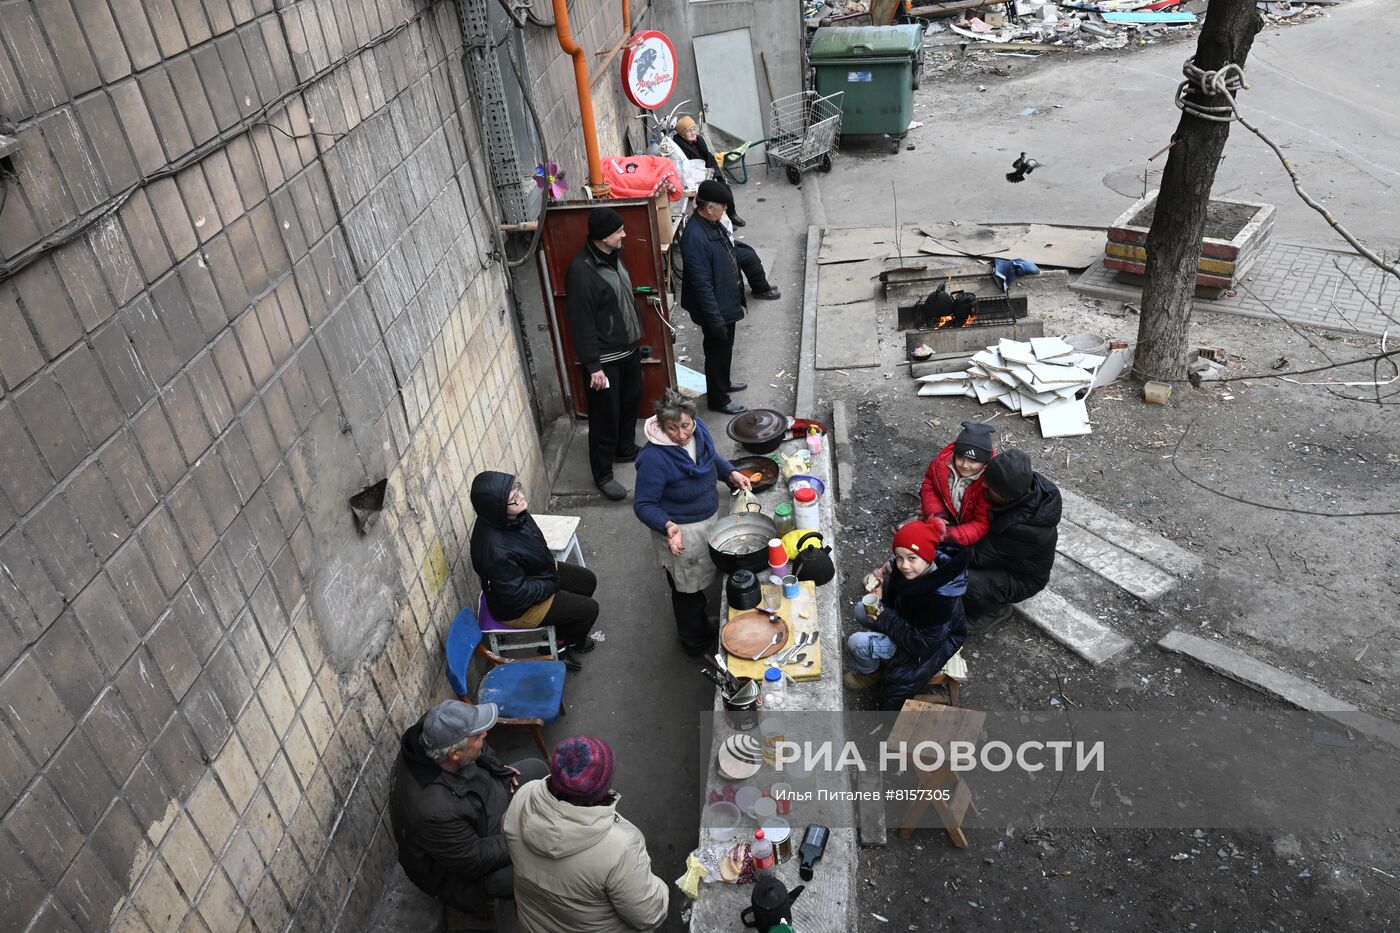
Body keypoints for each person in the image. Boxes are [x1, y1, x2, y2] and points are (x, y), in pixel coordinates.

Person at [389, 701, 550, 918]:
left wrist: (499, 769)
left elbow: (479, 747)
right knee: (538, 868)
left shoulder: (434, 728)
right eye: (478, 736)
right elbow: (474, 859)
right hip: (471, 862)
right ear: (455, 755)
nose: (485, 734)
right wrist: (523, 835)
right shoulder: (434, 811)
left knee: (537, 770)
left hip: (479, 805)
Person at [504, 737, 669, 932]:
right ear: (601, 790)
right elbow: (650, 915)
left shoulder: (523, 796)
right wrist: (659, 885)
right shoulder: (620, 848)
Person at [633, 389, 752, 655]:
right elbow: (643, 504)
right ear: (662, 426)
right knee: (685, 589)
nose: (680, 434)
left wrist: (731, 473)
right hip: (680, 531)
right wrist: (667, 526)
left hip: (707, 520)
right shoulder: (653, 458)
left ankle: (701, 622)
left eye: (685, 425)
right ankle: (694, 641)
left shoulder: (700, 432)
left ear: (693, 420)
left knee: (703, 576)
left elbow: (710, 458)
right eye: (671, 428)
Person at [469, 471, 598, 670]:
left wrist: (549, 574)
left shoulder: (510, 515)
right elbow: (516, 596)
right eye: (513, 498)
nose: (521, 496)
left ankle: (562, 631)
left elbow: (534, 541)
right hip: (519, 607)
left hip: (535, 572)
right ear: (496, 507)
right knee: (589, 610)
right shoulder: (495, 553)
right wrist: (551, 584)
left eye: (517, 488)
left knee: (587, 581)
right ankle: (562, 648)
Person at [845, 518, 969, 712]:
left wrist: (884, 616)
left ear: (928, 557)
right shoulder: (909, 572)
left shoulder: (939, 600)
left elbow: (921, 645)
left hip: (920, 646)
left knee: (856, 643)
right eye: (900, 557)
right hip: (906, 625)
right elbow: (901, 597)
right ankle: (876, 660)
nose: (904, 565)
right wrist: (882, 591)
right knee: (861, 608)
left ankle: (872, 672)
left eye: (912, 558)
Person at [565, 206, 643, 500]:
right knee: (604, 416)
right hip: (605, 360)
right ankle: (603, 475)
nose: (624, 234)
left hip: (628, 350)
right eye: (618, 231)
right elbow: (580, 323)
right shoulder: (582, 272)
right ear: (602, 237)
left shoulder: (613, 257)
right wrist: (592, 365)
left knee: (630, 402)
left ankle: (625, 449)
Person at [964, 448, 1062, 632]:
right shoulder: (1025, 484)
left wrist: (936, 545)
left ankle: (992, 612)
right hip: (1004, 555)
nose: (984, 486)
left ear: (1007, 497)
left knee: (960, 579)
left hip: (1021, 579)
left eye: (990, 486)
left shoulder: (1024, 529)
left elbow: (976, 556)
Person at [681, 180, 749, 415]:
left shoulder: (711, 223)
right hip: (715, 307)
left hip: (725, 301)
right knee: (716, 350)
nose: (726, 211)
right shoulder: (695, 236)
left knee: (725, 347)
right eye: (723, 207)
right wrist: (715, 318)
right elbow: (701, 284)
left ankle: (724, 383)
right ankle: (718, 398)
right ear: (709, 208)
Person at [919, 421, 996, 547]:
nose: (965, 465)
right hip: (948, 515)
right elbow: (929, 486)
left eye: (973, 461)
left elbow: (982, 523)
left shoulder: (989, 483)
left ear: (985, 463)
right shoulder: (941, 464)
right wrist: (937, 514)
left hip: (967, 530)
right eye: (960, 458)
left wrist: (952, 535)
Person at [672, 115, 744, 226]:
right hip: (694, 180)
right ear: (682, 135)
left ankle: (732, 214)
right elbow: (685, 168)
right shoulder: (679, 147)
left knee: (724, 187)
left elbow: (709, 157)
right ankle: (720, 223)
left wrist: (716, 174)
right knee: (712, 198)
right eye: (688, 131)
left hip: (707, 173)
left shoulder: (699, 140)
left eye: (693, 129)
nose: (693, 133)